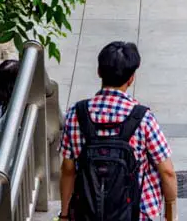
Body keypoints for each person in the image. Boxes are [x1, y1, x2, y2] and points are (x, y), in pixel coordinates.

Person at [59, 42, 177, 221]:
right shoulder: (143, 118)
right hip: (136, 214)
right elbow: (167, 171)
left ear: (99, 72)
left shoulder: (76, 114)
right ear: (131, 78)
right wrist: (170, 214)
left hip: (88, 213)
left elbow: (68, 170)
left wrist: (65, 215)